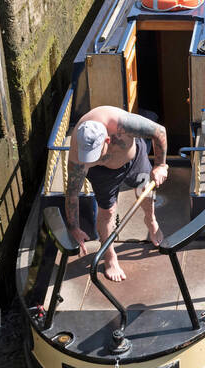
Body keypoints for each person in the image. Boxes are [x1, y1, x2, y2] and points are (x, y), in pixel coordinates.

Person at [65, 106, 168, 283]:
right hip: (102, 175)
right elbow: (72, 193)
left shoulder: (121, 123)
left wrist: (160, 165)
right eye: (88, 156)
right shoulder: (78, 151)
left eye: (95, 155)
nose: (92, 160)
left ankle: (151, 220)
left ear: (107, 140)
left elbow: (159, 131)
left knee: (146, 190)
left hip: (134, 159)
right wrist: (74, 227)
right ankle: (109, 255)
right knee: (107, 212)